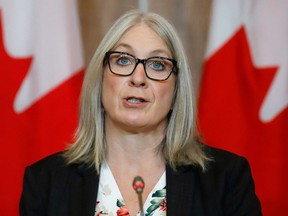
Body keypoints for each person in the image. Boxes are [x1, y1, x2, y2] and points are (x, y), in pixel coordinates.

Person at [19, 10, 262, 216]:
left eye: (157, 64)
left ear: (177, 89)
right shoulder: (46, 181)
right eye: (123, 60)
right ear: (100, 78)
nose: (138, 78)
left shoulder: (227, 179)